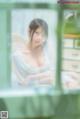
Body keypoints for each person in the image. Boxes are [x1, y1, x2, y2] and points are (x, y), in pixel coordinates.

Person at [12, 18, 54, 89]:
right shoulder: (18, 56)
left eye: (43, 35)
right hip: (32, 91)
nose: (40, 38)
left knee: (73, 77)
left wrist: (32, 77)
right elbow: (23, 82)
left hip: (50, 86)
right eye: (37, 33)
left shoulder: (46, 48)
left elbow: (53, 72)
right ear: (29, 31)